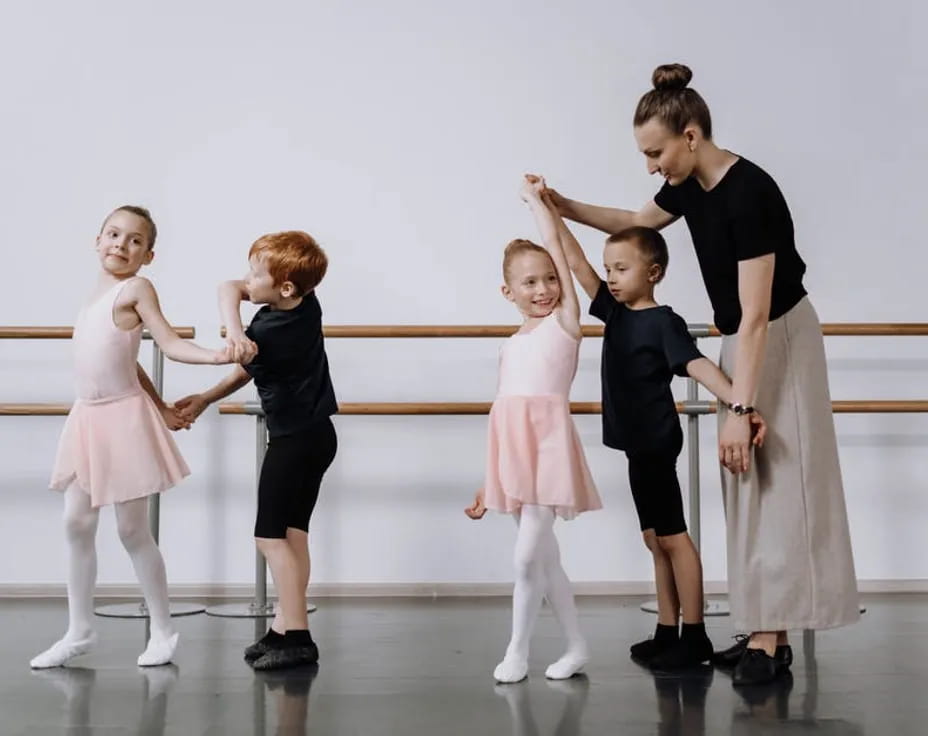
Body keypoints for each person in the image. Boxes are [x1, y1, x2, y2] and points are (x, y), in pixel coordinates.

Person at [545, 63, 859, 685]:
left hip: (779, 339)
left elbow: (760, 312)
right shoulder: (688, 185)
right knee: (748, 486)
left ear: (691, 135)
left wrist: (740, 412)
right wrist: (562, 205)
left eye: (655, 151)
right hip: (740, 339)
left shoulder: (750, 194)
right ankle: (765, 625)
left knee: (779, 483)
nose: (651, 165)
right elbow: (631, 227)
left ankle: (771, 639)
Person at [32, 206, 233, 669]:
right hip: (87, 418)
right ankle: (79, 630)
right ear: (96, 239)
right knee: (76, 524)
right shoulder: (92, 299)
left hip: (121, 420)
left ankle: (163, 630)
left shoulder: (137, 288)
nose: (121, 244)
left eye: (135, 240)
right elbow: (129, 360)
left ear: (149, 255)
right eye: (114, 234)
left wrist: (216, 357)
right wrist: (162, 407)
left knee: (130, 529)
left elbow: (168, 343)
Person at [177, 230, 338, 671]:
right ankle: (285, 628)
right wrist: (233, 332)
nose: (248, 280)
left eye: (256, 273)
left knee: (268, 537)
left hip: (293, 443)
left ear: (284, 287)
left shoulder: (268, 329)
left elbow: (246, 364)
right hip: (318, 436)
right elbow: (228, 287)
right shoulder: (306, 303)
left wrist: (236, 343)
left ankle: (299, 637)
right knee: (293, 534)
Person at [465, 176, 602, 684]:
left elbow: (555, 249)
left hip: (547, 452)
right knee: (546, 561)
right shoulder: (511, 343)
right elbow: (504, 413)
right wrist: (489, 480)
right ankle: (576, 645)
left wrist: (537, 203)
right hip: (513, 455)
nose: (543, 289)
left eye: (549, 279)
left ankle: (516, 652)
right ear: (508, 292)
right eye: (530, 283)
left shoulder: (564, 324)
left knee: (527, 559)